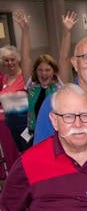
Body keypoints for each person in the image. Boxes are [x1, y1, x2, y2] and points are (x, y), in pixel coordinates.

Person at [10, 10, 73, 141]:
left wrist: (67, 32)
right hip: (36, 134)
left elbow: (64, 57)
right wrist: (25, 31)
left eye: (47, 70)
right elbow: (25, 58)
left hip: (56, 135)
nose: (43, 73)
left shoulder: (58, 86)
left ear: (54, 71)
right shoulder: (32, 86)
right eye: (40, 70)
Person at [0, 44, 30, 152]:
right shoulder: (5, 79)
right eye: (6, 60)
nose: (10, 63)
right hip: (12, 127)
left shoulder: (25, 77)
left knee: (30, 153)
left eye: (12, 59)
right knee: (21, 155)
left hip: (26, 125)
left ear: (18, 59)